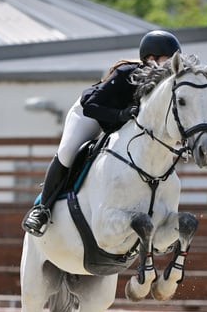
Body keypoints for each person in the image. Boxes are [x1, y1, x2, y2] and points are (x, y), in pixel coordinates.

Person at [21, 29, 182, 237]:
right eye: (168, 60)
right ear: (151, 59)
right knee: (69, 151)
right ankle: (42, 209)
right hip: (90, 115)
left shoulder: (165, 86)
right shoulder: (126, 73)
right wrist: (122, 113)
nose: (172, 67)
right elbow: (91, 106)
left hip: (121, 125)